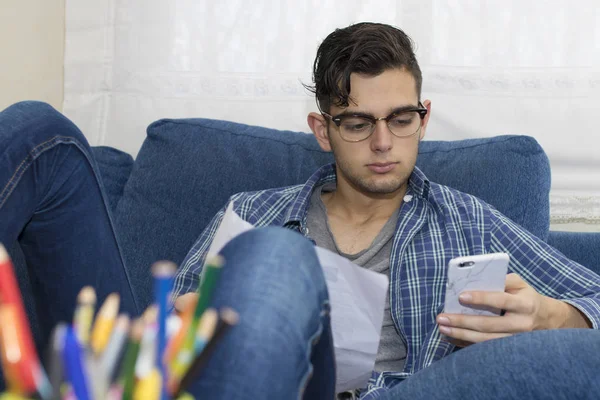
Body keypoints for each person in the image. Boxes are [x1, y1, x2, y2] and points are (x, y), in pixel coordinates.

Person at [1, 22, 599, 400]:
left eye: (402, 119)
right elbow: (171, 323)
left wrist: (549, 318)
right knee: (40, 131)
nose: (385, 143)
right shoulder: (252, 210)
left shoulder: (468, 219)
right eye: (359, 123)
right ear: (323, 129)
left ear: (424, 117)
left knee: (275, 253)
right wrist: (188, 322)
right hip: (217, 380)